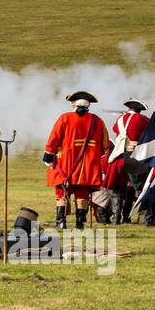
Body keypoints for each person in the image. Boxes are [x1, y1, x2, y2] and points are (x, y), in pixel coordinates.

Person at [43, 91, 110, 230]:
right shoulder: (98, 121)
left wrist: (48, 154)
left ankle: (61, 222)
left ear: (73, 104)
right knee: (82, 194)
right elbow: (105, 145)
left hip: (66, 163)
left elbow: (54, 138)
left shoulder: (64, 118)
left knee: (61, 192)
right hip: (88, 165)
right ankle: (80, 223)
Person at [104, 99, 148, 225]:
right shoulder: (141, 119)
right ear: (139, 110)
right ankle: (144, 218)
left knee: (118, 189)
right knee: (140, 188)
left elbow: (115, 129)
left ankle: (116, 218)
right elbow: (149, 128)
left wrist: (124, 117)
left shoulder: (120, 120)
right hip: (134, 156)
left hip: (119, 157)